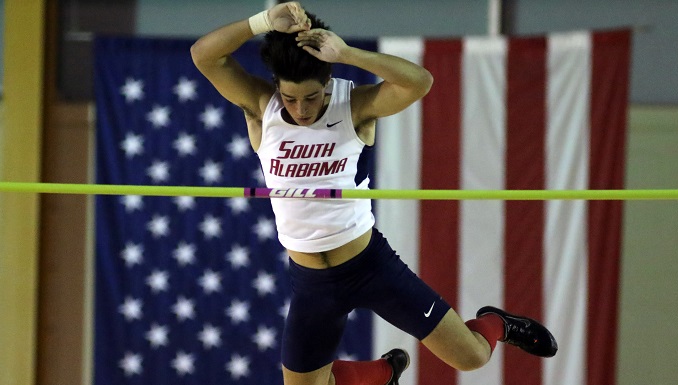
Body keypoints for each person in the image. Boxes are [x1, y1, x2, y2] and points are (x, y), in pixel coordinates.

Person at [191, 2, 557, 385]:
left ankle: (496, 322)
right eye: (291, 98)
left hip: (369, 266)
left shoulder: (354, 106)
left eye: (312, 97)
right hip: (312, 283)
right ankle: (385, 373)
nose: (300, 109)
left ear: (328, 80)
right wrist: (263, 21)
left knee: (472, 358)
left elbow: (419, 82)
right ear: (277, 86)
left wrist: (347, 53)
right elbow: (204, 56)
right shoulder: (261, 107)